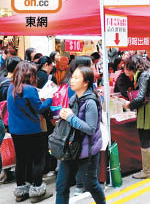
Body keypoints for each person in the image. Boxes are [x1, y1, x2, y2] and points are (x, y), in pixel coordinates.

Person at [56, 67, 105, 204]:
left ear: (86, 82)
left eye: (76, 78)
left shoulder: (90, 102)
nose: (72, 80)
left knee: (91, 185)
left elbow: (90, 128)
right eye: (72, 77)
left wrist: (71, 117)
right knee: (61, 186)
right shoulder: (74, 99)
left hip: (87, 150)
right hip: (71, 148)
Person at [8, 61, 53, 202]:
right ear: (29, 75)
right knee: (37, 160)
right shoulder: (29, 90)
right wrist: (50, 99)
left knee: (21, 160)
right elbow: (40, 108)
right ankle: (37, 190)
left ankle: (21, 191)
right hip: (32, 130)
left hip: (16, 130)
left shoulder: (12, 87)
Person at [124, 55, 150, 179]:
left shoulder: (143, 74)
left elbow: (140, 97)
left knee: (144, 137)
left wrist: (130, 105)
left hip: (146, 107)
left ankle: (146, 171)